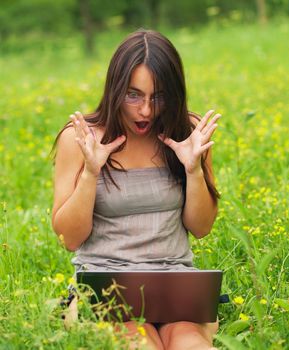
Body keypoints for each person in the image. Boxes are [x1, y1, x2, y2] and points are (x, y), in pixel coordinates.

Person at [52, 29, 221, 350]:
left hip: (176, 284)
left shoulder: (188, 133)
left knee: (189, 343)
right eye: (133, 95)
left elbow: (201, 228)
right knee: (138, 342)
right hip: (106, 288)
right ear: (115, 89)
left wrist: (193, 169)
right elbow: (69, 238)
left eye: (157, 97)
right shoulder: (79, 139)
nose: (145, 110)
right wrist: (91, 173)